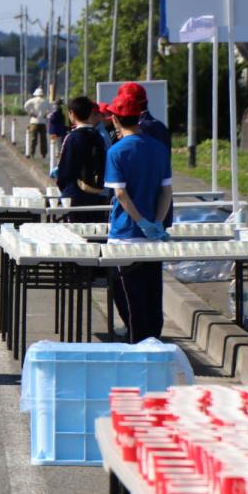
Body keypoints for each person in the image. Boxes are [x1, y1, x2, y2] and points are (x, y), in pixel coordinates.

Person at [103, 89, 173, 342]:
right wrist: (155, 222)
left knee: (130, 299)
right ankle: (154, 342)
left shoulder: (117, 151)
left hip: (125, 234)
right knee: (152, 294)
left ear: (116, 119)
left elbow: (120, 194)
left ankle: (137, 346)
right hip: (154, 237)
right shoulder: (158, 148)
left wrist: (140, 221)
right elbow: (166, 191)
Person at [56, 96, 110, 223]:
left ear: (72, 114)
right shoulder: (99, 136)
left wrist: (64, 187)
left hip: (74, 196)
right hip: (96, 193)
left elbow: (64, 171)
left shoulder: (72, 138)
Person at [23, 87, 52, 158]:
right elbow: (51, 109)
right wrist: (46, 114)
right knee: (43, 139)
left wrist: (31, 113)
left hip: (34, 121)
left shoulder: (32, 100)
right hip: (43, 122)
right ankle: (43, 153)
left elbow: (25, 106)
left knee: (33, 139)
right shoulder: (46, 101)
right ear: (42, 94)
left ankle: (32, 152)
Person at [47, 99, 67, 165]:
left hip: (56, 130)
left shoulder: (56, 111)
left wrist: (49, 116)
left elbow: (52, 119)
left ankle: (57, 159)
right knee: (58, 144)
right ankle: (57, 156)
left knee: (57, 145)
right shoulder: (63, 110)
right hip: (61, 130)